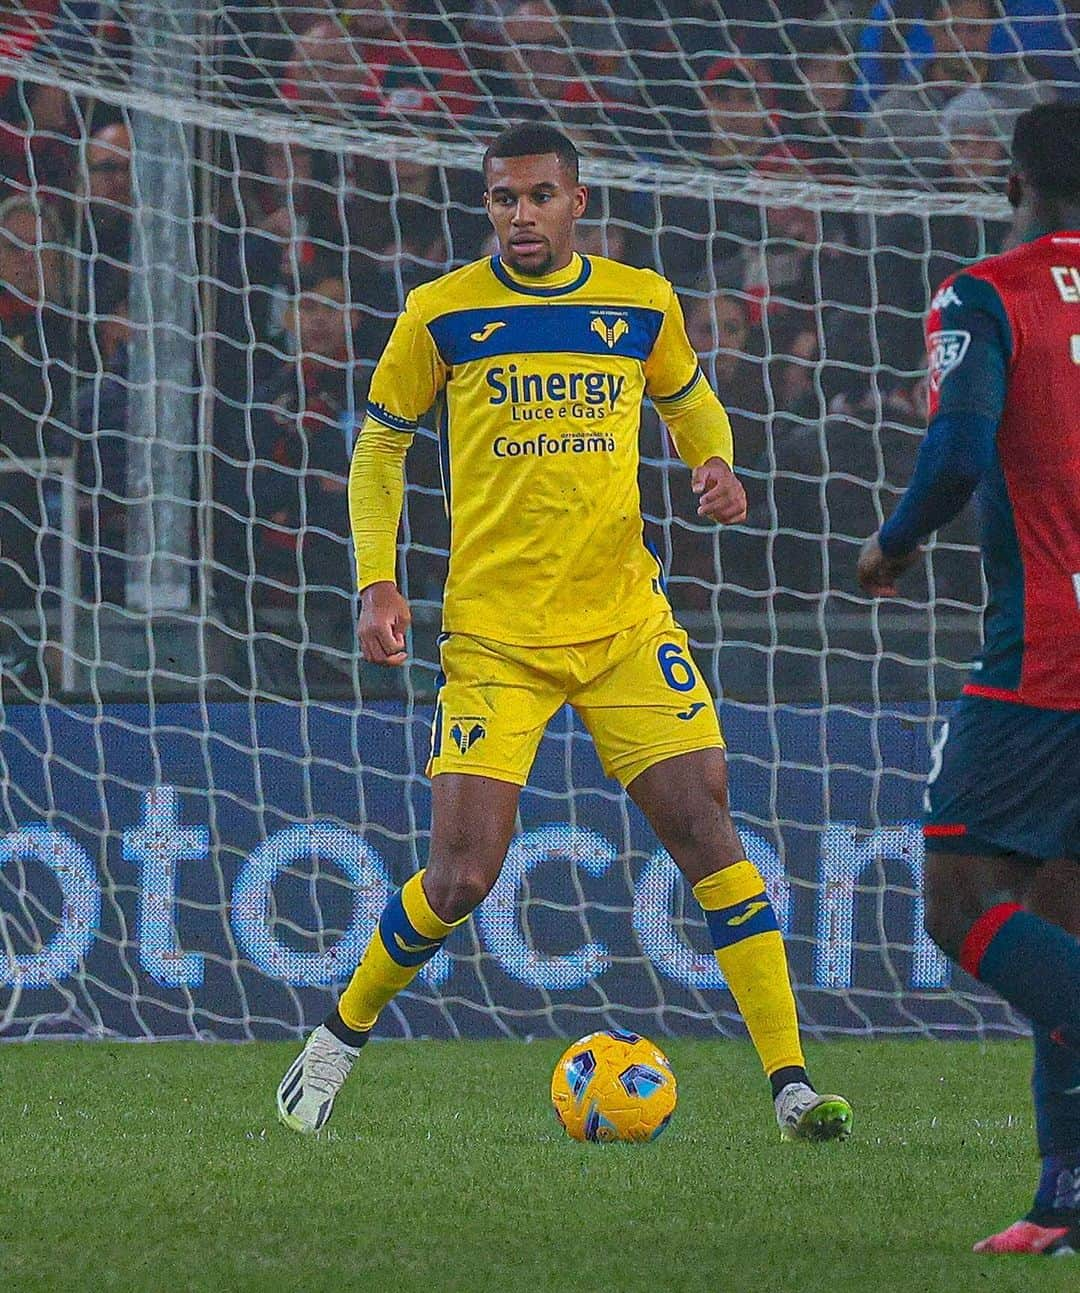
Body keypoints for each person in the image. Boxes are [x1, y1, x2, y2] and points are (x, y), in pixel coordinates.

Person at [276, 121, 853, 1144]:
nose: (520, 216)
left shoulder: (638, 302)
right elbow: (379, 451)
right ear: (487, 206)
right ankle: (335, 1040)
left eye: (539, 196)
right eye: (503, 199)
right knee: (460, 875)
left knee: (706, 823)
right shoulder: (443, 313)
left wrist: (714, 462)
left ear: (576, 201)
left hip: (625, 619)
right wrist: (378, 582)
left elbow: (691, 402)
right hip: (496, 633)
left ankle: (792, 1087)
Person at [858, 101, 1080, 1256]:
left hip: (1048, 655)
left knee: (959, 903)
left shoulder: (987, 293)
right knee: (1059, 915)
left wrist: (890, 548)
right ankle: (1063, 1200)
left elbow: (956, 453)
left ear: (1011, 182)